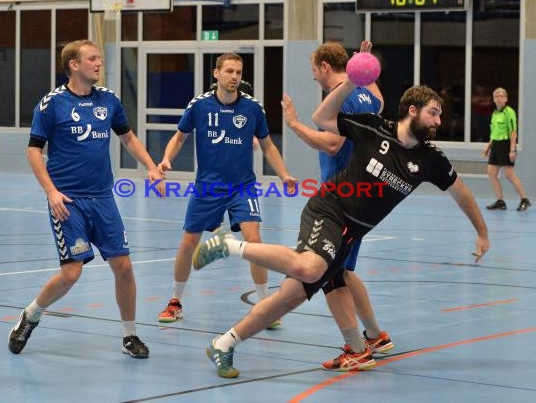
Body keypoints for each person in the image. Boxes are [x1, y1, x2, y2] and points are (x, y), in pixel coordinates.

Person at [192, 81, 490, 378]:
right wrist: (350, 83)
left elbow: (460, 191)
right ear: (412, 111)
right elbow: (322, 117)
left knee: (290, 296)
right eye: (433, 113)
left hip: (350, 234)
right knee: (310, 268)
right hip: (329, 208)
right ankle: (228, 245)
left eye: (439, 115)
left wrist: (481, 232)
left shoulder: (431, 159)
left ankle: (225, 343)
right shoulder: (373, 127)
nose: (438, 121)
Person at [8, 40, 161, 359]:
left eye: (99, 58)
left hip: (104, 198)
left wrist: (150, 166)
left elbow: (127, 137)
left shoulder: (109, 100)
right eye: (92, 58)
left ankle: (130, 335)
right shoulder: (52, 104)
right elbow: (34, 150)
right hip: (69, 201)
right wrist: (51, 192)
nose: (99, 63)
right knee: (71, 273)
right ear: (74, 65)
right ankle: (31, 315)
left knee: (124, 267)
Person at [156, 53, 296, 326]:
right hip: (208, 186)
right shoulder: (199, 105)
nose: (234, 77)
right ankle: (175, 301)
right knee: (188, 243)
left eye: (239, 72)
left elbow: (267, 145)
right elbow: (179, 136)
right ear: (216, 74)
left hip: (243, 186)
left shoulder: (253, 108)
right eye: (229, 71)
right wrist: (166, 159)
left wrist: (284, 174)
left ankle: (266, 306)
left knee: (255, 242)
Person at [281, 41, 392, 372]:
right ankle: (376, 335)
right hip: (360, 194)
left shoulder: (342, 101)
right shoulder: (363, 94)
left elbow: (331, 145)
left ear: (326, 68)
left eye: (314, 69)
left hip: (342, 196)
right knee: (343, 269)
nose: (313, 75)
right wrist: (364, 67)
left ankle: (356, 348)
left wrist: (294, 125)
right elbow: (381, 102)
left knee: (328, 273)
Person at [482, 87, 531, 211]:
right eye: (496, 96)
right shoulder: (494, 113)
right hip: (495, 146)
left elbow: (513, 132)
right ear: (493, 99)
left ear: (506, 99)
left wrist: (512, 149)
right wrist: (488, 147)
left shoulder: (509, 112)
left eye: (502, 95)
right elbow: (494, 132)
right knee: (491, 172)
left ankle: (525, 199)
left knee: (509, 174)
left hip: (506, 145)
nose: (499, 97)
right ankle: (500, 201)